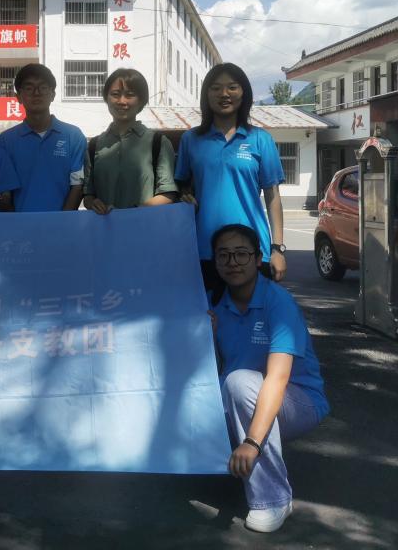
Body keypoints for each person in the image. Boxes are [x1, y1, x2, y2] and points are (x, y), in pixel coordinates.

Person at [208, 223, 328, 533]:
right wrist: (205, 336)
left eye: (241, 254)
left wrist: (251, 443)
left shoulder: (278, 303)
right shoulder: (213, 303)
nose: (232, 262)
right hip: (240, 396)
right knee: (225, 389)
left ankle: (273, 498)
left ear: (258, 258)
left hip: (296, 400)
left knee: (240, 383)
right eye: (224, 255)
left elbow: (277, 378)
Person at [174, 63, 287, 290]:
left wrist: (277, 248)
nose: (224, 94)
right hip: (204, 250)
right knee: (208, 313)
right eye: (216, 88)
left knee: (253, 311)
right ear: (206, 95)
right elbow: (180, 189)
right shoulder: (191, 139)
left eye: (232, 87)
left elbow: (273, 197)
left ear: (244, 93)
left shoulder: (261, 139)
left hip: (252, 251)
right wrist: (184, 197)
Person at [82, 68, 178, 214]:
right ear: (106, 98)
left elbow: (168, 193)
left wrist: (132, 214)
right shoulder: (94, 145)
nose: (122, 101)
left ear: (141, 101)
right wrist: (93, 203)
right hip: (104, 226)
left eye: (130, 95)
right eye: (115, 94)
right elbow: (88, 194)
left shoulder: (158, 143)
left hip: (145, 225)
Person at [0, 64, 87, 211]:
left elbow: (77, 186)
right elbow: (5, 192)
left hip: (61, 224)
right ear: (18, 97)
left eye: (43, 87)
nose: (36, 93)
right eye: (29, 88)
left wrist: (62, 221)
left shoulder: (74, 136)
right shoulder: (5, 141)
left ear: (53, 94)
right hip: (19, 224)